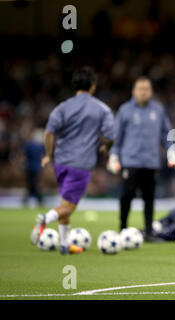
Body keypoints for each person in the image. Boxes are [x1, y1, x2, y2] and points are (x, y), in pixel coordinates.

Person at [30, 66, 115, 254]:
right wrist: (105, 148)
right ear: (93, 86)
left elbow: (49, 132)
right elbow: (111, 136)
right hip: (81, 163)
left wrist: (48, 155)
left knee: (65, 201)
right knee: (68, 207)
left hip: (60, 162)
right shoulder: (102, 109)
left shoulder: (62, 107)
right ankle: (45, 218)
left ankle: (64, 243)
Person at [107, 76, 175, 242]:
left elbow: (166, 134)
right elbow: (117, 137)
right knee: (127, 196)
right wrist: (113, 155)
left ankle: (149, 232)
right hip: (130, 161)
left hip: (150, 162)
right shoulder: (125, 110)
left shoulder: (158, 110)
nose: (143, 92)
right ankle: (122, 229)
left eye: (146, 89)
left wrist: (172, 153)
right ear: (134, 91)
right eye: (140, 89)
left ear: (151, 91)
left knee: (149, 198)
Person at [22, 128, 45, 207]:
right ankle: (38, 199)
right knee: (34, 184)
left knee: (31, 184)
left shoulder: (29, 145)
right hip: (37, 168)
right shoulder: (40, 146)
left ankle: (32, 198)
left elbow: (24, 156)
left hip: (29, 167)